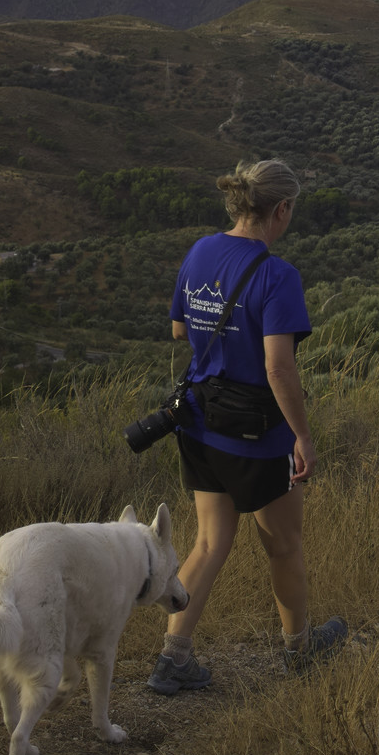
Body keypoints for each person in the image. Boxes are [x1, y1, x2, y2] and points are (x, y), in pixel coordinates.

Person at [148, 159, 348, 694]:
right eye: (291, 213)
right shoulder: (278, 275)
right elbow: (278, 367)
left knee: (210, 542)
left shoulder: (200, 251)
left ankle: (174, 657)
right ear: (280, 210)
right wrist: (302, 436)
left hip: (198, 422)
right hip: (257, 434)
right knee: (284, 544)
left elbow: (177, 328)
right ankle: (301, 652)